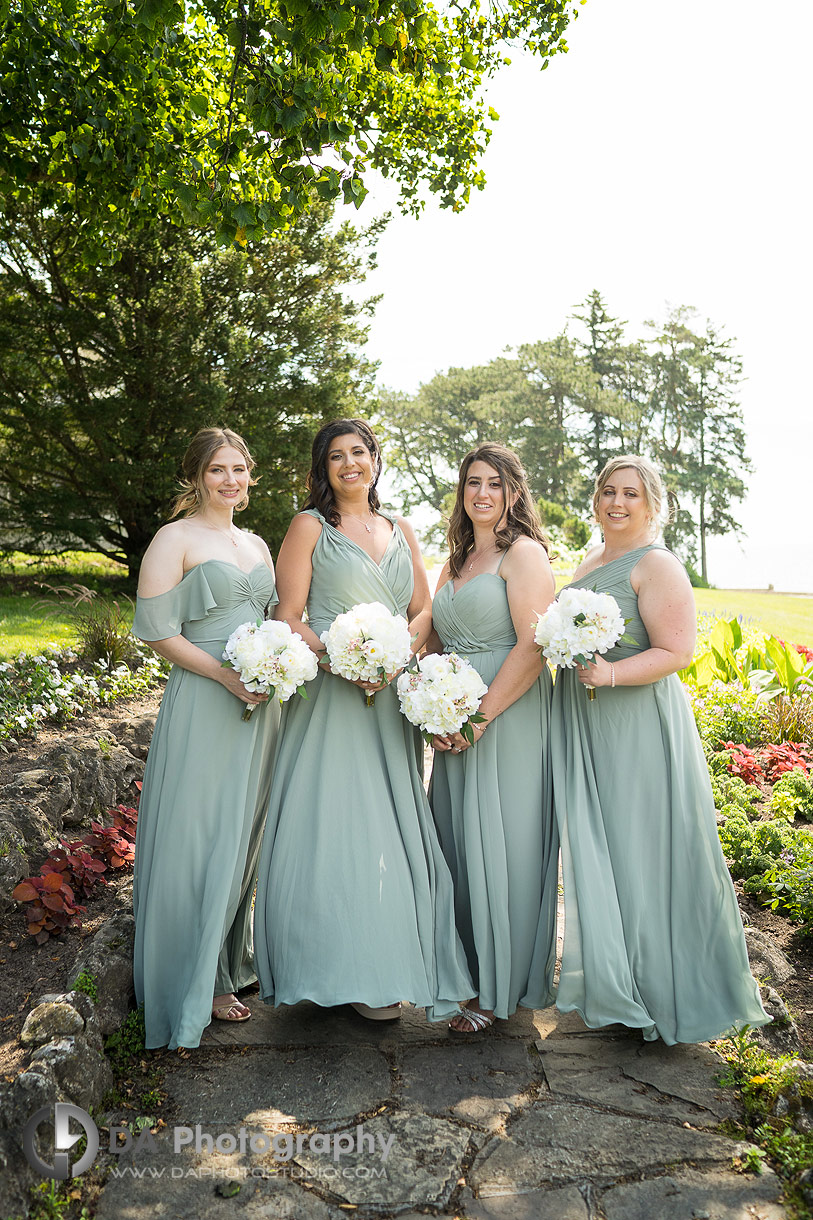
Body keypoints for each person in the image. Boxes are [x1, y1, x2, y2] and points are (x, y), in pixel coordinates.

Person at [253, 418, 473, 1022]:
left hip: (391, 700)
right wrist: (343, 658)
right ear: (322, 469)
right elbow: (287, 615)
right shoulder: (309, 528)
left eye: (359, 452)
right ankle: (325, 966)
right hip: (331, 698)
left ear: (375, 459)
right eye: (335, 457)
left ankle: (382, 964)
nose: (350, 464)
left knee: (387, 825)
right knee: (333, 823)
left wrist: (400, 650)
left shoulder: (401, 528)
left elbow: (423, 608)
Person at [550, 454, 769, 1044]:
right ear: (596, 500)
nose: (617, 503)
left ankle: (669, 994)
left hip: (637, 723)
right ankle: (622, 984)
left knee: (649, 847)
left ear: (651, 504)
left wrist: (611, 676)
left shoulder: (656, 564)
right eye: (608, 492)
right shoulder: (590, 561)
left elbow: (677, 651)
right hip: (589, 723)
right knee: (609, 851)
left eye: (631, 494)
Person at [131, 427, 280, 1049]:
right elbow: (158, 630)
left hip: (262, 704)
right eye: (218, 470)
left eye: (239, 469)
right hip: (205, 697)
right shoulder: (175, 538)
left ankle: (227, 965)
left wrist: (275, 665)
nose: (231, 480)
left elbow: (271, 619)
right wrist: (224, 673)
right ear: (196, 476)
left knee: (244, 833)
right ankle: (192, 980)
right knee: (198, 832)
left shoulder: (256, 541)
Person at [428, 443, 558, 1035]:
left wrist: (479, 717)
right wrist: (434, 706)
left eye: (496, 484)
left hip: (507, 718)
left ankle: (498, 990)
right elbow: (434, 640)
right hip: (455, 720)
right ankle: (464, 973)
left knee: (501, 844)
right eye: (473, 482)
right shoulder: (456, 561)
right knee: (457, 845)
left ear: (514, 492)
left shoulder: (523, 555)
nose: (482, 493)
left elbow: (533, 648)